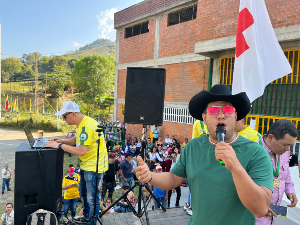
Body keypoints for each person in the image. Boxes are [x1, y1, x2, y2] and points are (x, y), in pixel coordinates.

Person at [136, 84, 273, 225]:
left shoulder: (256, 152)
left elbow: (261, 209)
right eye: (213, 111)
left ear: (236, 116)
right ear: (204, 118)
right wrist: (150, 176)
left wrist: (236, 167)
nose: (221, 115)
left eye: (227, 110)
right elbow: (173, 178)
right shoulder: (193, 147)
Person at [45, 101, 108, 225]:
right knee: (83, 193)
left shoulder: (86, 126)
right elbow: (77, 139)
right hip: (87, 165)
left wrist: (59, 145)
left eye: (64, 116)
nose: (63, 119)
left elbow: (81, 150)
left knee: (92, 197)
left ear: (73, 113)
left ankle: (92, 222)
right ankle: (86, 217)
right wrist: (62, 140)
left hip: (93, 166)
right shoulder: (82, 124)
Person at [256, 119, 298, 225]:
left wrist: (290, 190)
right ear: (270, 137)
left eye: (290, 145)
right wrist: (258, 207)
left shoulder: (284, 152)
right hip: (254, 217)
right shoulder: (253, 153)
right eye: (285, 145)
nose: (288, 150)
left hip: (272, 216)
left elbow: (286, 172)